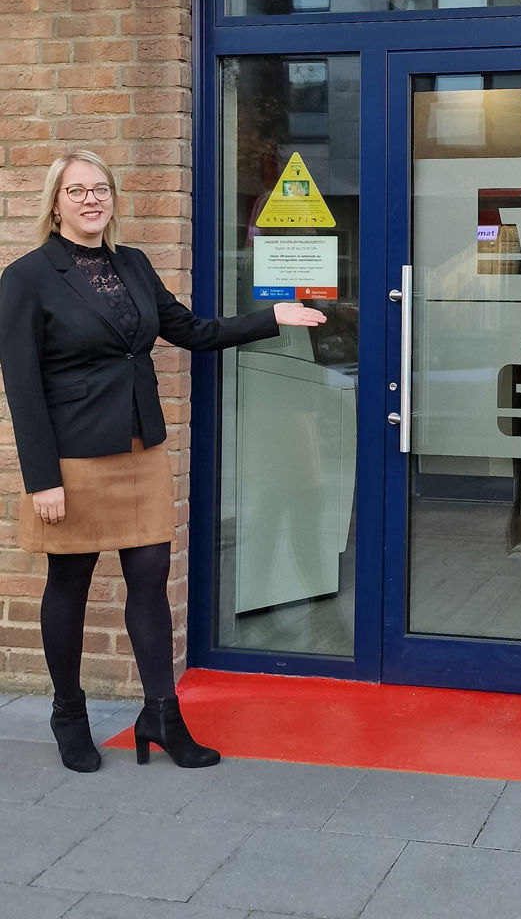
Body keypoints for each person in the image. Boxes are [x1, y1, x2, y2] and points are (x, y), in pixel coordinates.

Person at [0, 150, 327, 773]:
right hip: (72, 458)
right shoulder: (27, 277)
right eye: (77, 191)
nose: (91, 199)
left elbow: (192, 331)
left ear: (113, 198)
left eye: (101, 189)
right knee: (68, 584)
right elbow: (21, 385)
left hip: (139, 450)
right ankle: (68, 714)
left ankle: (161, 714)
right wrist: (42, 479)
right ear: (55, 202)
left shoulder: (133, 265)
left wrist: (272, 317)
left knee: (149, 579)